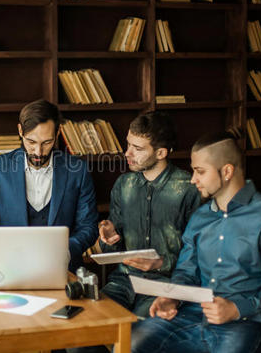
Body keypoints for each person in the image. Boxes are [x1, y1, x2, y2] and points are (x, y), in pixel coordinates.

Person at [131, 131, 261, 353]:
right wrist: (172, 298)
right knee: (131, 342)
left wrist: (237, 309)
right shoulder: (200, 217)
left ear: (227, 171)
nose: (193, 179)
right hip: (191, 314)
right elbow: (186, 271)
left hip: (246, 322)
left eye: (200, 171)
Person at [69, 112, 200, 353]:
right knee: (79, 337)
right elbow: (114, 247)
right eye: (128, 144)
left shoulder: (190, 189)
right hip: (122, 283)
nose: (127, 153)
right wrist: (109, 238)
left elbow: (201, 254)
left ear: (161, 153)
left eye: (137, 148)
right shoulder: (123, 185)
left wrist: (161, 262)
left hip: (164, 287)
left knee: (132, 342)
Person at [0, 99, 98, 272]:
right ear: (20, 131)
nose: (38, 152)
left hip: (63, 270)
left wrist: (65, 251)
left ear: (58, 132)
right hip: (10, 268)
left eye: (47, 142)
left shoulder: (78, 171)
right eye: (31, 142)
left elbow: (88, 227)